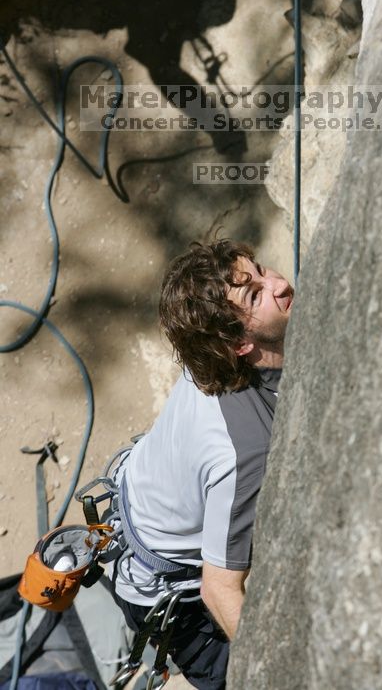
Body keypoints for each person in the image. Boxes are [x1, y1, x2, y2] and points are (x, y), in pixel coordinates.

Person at [110, 238, 294, 689]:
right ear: (239, 344)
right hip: (169, 593)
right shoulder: (246, 450)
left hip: (144, 514)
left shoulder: (210, 354)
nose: (282, 284)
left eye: (263, 271)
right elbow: (219, 589)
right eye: (256, 294)